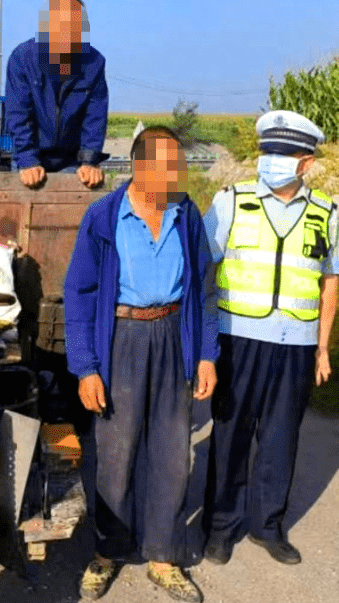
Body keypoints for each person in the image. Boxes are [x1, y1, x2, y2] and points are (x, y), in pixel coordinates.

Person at [64, 126, 219, 602]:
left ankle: (163, 555)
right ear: (139, 166)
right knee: (116, 453)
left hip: (173, 335)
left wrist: (206, 355)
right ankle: (108, 550)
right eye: (166, 166)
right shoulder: (104, 217)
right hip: (122, 338)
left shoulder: (186, 215)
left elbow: (204, 289)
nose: (176, 175)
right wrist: (86, 367)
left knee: (172, 453)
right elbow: (79, 293)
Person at [202, 110, 339, 566]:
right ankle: (220, 527)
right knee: (231, 435)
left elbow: (330, 282)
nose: (272, 161)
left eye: (283, 154)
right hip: (238, 339)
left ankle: (267, 526)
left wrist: (322, 347)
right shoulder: (231, 201)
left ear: (306, 163)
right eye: (268, 152)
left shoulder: (326, 212)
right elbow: (203, 269)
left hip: (296, 344)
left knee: (281, 439)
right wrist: (203, 343)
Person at [5, 0, 108, 189]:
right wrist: (27, 160)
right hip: (32, 157)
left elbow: (95, 117)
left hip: (73, 160)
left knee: (81, 201)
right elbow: (18, 114)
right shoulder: (22, 58)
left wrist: (89, 161)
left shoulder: (94, 62)